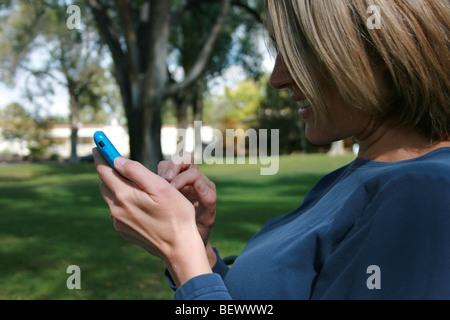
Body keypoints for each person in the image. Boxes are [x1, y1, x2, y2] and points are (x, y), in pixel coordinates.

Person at [93, 0, 450, 299]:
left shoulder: (425, 193)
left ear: (382, 52)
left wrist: (180, 251)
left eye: (300, 52)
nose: (277, 78)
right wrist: (198, 248)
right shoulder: (350, 179)